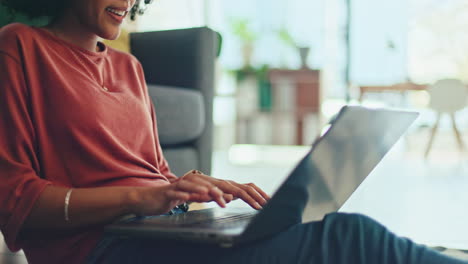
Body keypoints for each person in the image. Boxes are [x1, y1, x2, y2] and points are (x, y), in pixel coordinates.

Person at [0, 0, 466, 263]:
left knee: (327, 232)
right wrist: (141, 197)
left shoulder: (129, 67)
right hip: (96, 249)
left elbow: (154, 174)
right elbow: (15, 201)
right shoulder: (19, 47)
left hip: (162, 231)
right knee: (350, 239)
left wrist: (189, 188)